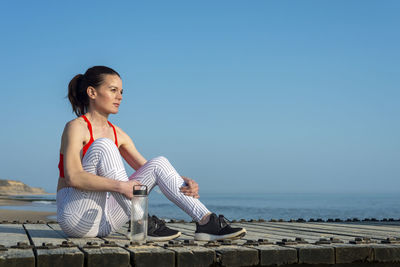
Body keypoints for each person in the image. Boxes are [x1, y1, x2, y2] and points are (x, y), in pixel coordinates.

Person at [57, 66, 246, 241]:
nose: (120, 97)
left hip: (107, 222)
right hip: (76, 218)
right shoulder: (76, 128)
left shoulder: (119, 133)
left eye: (121, 92)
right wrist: (121, 187)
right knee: (104, 146)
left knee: (159, 162)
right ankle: (142, 222)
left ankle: (206, 221)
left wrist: (184, 182)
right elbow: (74, 177)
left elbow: (153, 170)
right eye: (113, 90)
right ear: (92, 92)